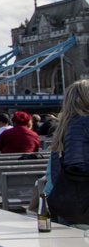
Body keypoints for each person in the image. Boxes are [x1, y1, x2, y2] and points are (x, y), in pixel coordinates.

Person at [42, 79, 89, 225]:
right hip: (84, 200)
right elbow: (77, 165)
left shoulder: (66, 124)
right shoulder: (83, 123)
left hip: (68, 200)